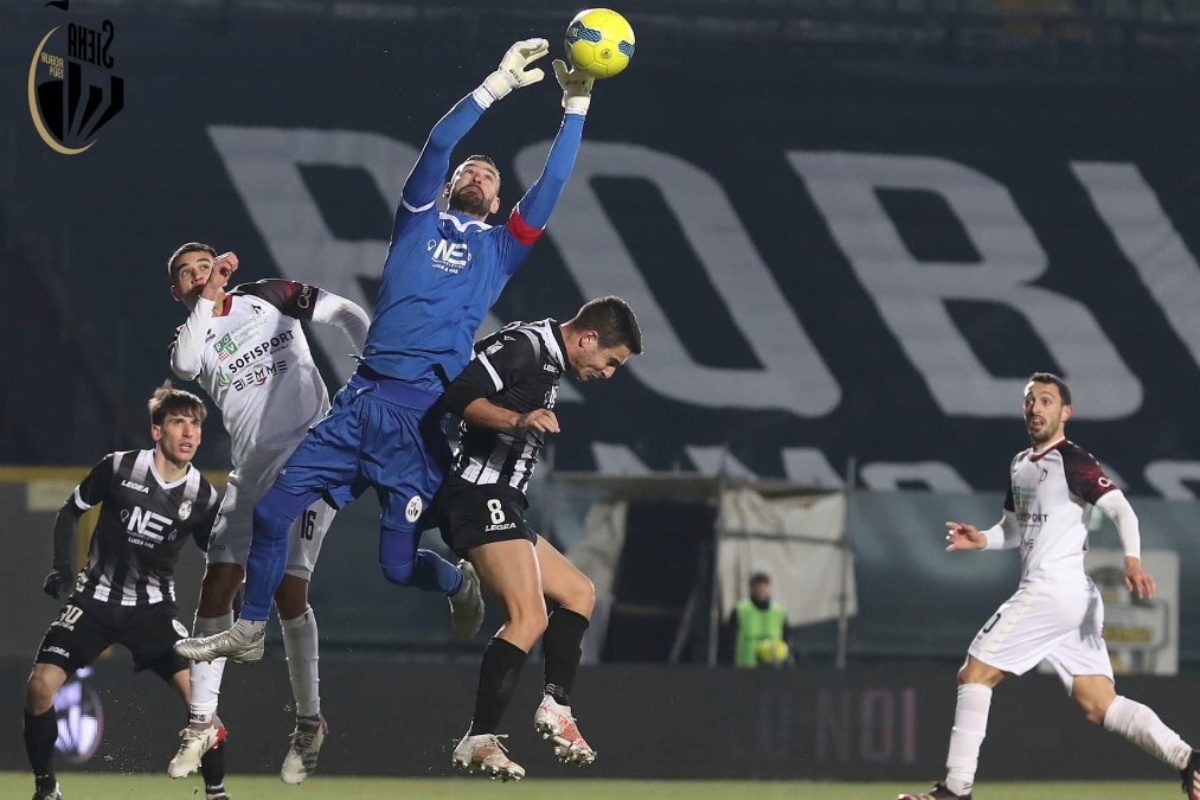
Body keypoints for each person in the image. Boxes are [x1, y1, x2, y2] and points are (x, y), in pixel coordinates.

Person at [176, 38, 598, 665]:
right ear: (451, 184)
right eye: (468, 170)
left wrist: (575, 108)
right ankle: (250, 630)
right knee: (271, 514)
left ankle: (457, 581)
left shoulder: (501, 250)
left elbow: (555, 183)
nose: (475, 173)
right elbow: (437, 145)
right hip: (361, 400)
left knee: (397, 568)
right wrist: (496, 87)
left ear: (500, 199)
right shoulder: (417, 219)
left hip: (422, 418)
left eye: (489, 173)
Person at [899, 372, 1200, 800]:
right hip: (1073, 601)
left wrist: (1132, 559)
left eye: (1046, 400)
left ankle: (955, 789)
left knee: (975, 673)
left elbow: (1122, 510)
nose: (1036, 408)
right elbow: (1013, 528)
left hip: (1052, 590)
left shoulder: (1073, 460)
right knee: (1101, 705)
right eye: (1030, 401)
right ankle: (1188, 758)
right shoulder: (1020, 463)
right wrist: (983, 539)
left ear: (1065, 412)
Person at [162, 243, 370, 784]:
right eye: (186, 274)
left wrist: (371, 372)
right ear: (177, 291)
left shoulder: (270, 296)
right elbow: (183, 366)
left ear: (221, 268)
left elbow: (347, 313)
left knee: (287, 592)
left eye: (203, 266)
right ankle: (201, 722)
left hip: (309, 457)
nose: (197, 276)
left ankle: (308, 723)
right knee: (216, 586)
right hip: (249, 473)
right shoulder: (193, 338)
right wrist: (206, 300)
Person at [438, 296, 642, 781]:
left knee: (579, 593)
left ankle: (557, 707)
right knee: (528, 618)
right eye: (610, 361)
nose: (608, 373)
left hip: (504, 501)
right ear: (588, 338)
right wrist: (517, 420)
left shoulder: (541, 355)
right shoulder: (529, 347)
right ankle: (480, 737)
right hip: (478, 492)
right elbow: (459, 393)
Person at [24, 383, 226, 800]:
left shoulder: (204, 495)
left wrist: (235, 597)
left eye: (195, 425)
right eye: (177, 423)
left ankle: (217, 792)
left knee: (202, 706)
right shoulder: (118, 468)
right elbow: (71, 509)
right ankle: (47, 789)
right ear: (157, 431)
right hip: (93, 601)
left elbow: (217, 553)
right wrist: (63, 569)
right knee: (39, 687)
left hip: (153, 611)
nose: (188, 434)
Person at [729, 572, 789, 669]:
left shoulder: (779, 612)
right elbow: (730, 639)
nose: (761, 590)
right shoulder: (740, 610)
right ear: (752, 589)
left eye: (764, 587)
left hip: (773, 666)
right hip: (745, 666)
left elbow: (786, 639)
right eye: (758, 587)